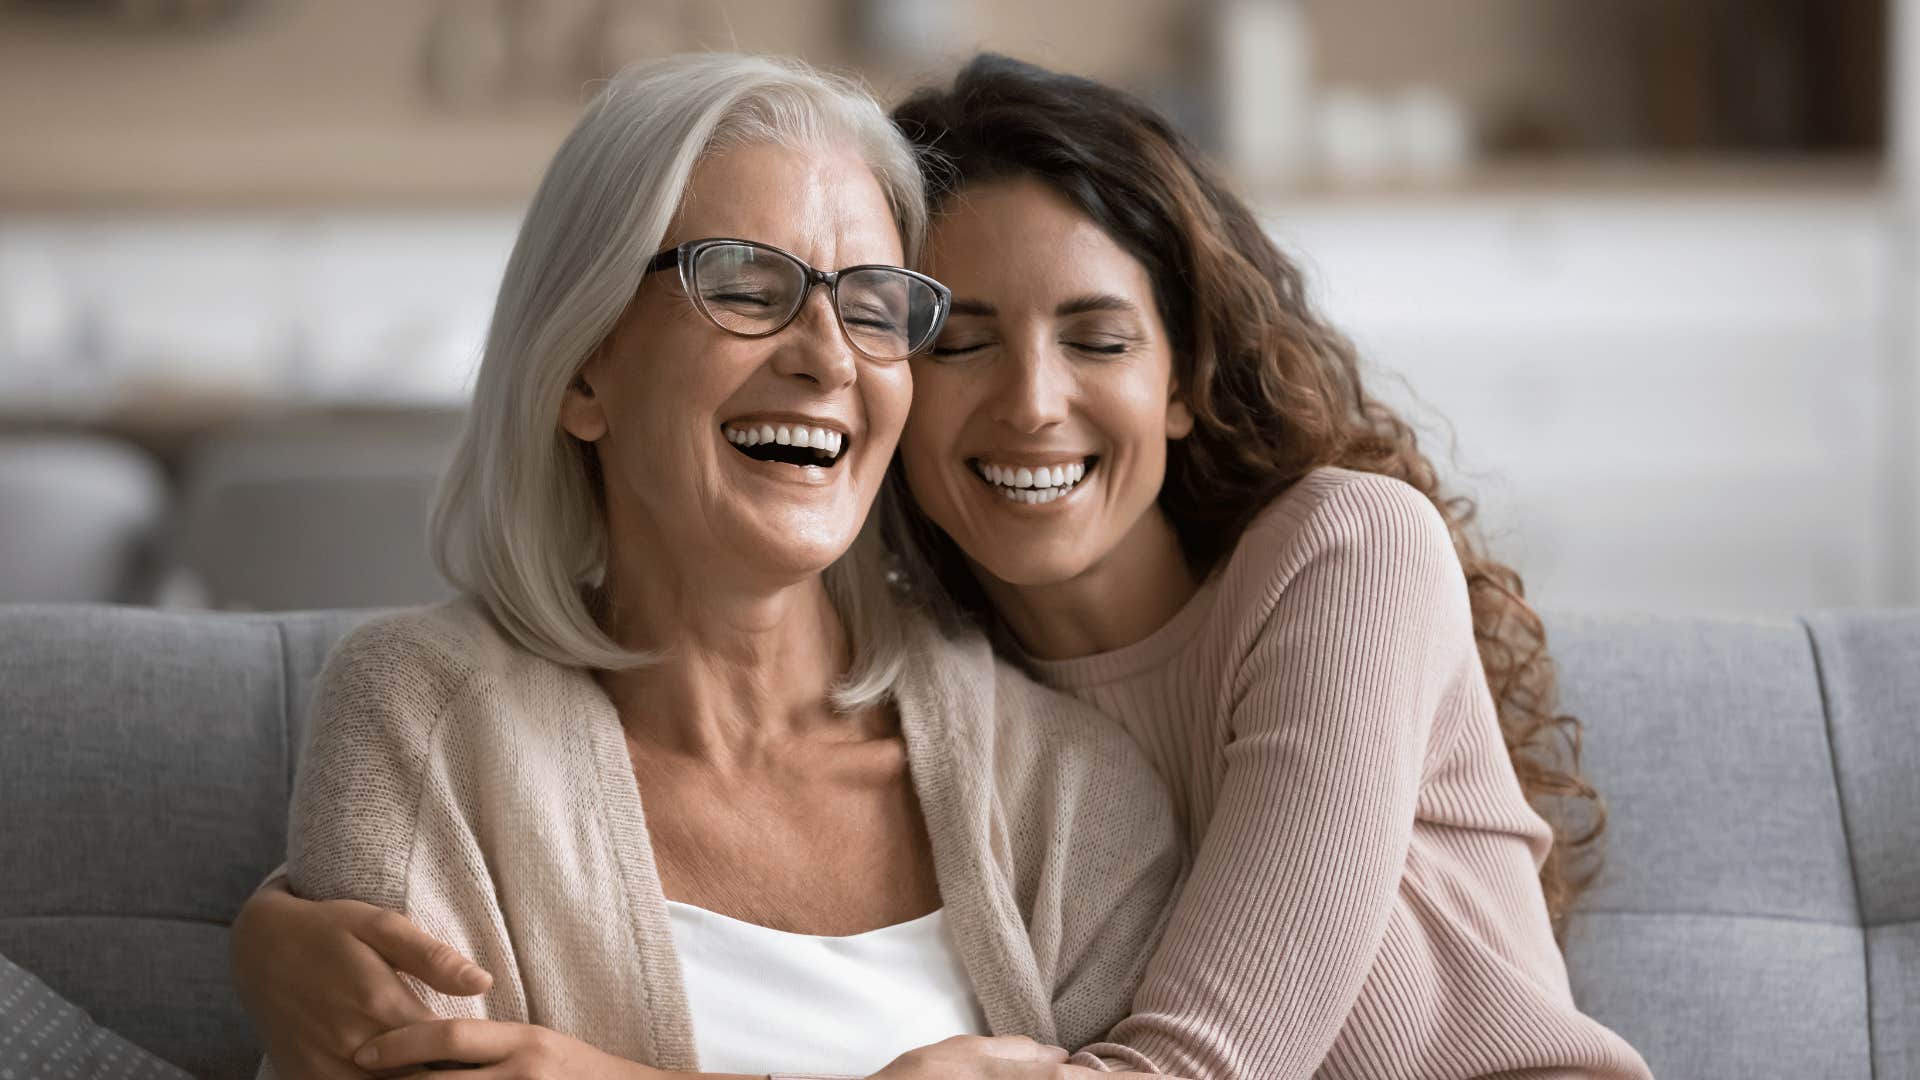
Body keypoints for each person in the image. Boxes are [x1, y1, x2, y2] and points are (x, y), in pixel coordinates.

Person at [236, 52, 1182, 1080]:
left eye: (872, 307)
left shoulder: (1067, 787)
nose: (827, 356)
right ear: (582, 367)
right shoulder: (425, 719)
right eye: (742, 284)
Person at [878, 55, 1651, 1078]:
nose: (1031, 403)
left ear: (1182, 382)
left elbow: (1207, 1067)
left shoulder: (1347, 552)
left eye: (1098, 343)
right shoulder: (921, 680)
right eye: (961, 346)